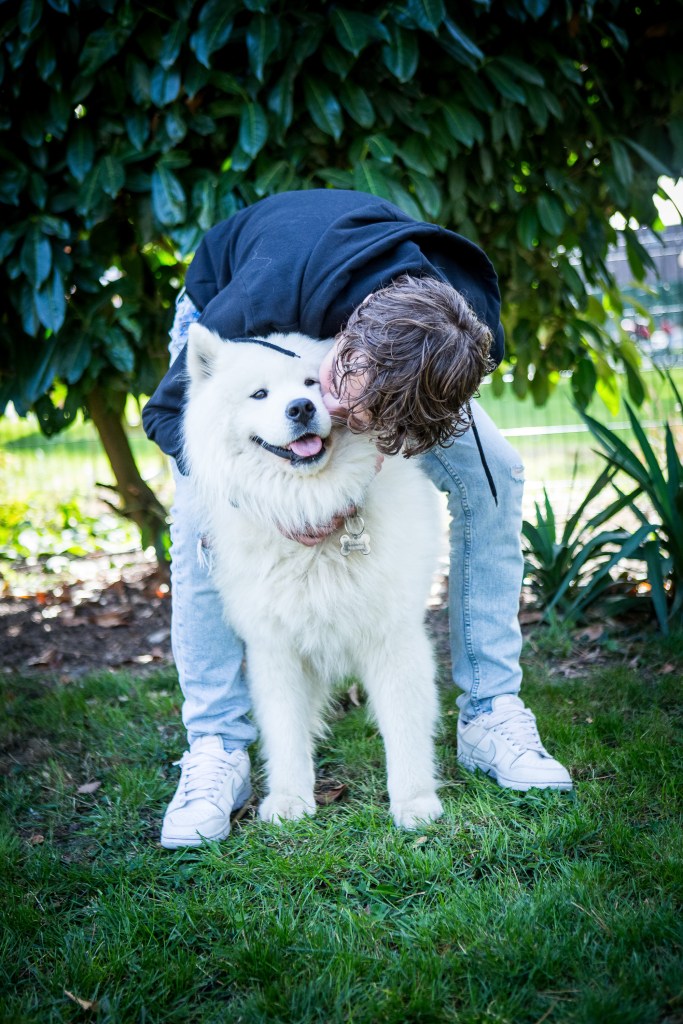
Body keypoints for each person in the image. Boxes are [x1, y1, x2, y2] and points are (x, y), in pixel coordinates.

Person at [142, 189, 572, 849]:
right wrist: (252, 502)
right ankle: (217, 745)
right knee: (200, 513)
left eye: (367, 410)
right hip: (240, 301)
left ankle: (490, 711)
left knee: (497, 472)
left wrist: (369, 456)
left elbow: (403, 408)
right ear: (348, 334)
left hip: (394, 351)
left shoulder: (465, 332)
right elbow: (165, 417)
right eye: (344, 380)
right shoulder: (259, 297)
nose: (341, 410)